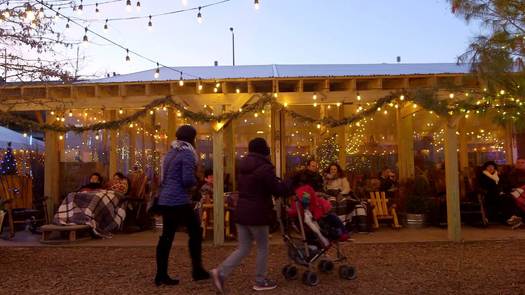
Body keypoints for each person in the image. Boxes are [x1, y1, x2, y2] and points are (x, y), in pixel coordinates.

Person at [211, 138, 287, 293]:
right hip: (257, 213)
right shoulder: (265, 168)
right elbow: (277, 189)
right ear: (262, 150)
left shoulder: (243, 166)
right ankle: (260, 280)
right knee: (262, 247)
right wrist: (289, 183)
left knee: (244, 247)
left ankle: (220, 272)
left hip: (242, 211)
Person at [155, 125, 209, 286]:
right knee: (196, 232)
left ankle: (161, 275)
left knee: (166, 237)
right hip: (178, 200)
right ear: (192, 138)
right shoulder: (187, 154)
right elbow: (187, 180)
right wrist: (198, 183)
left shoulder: (171, 152)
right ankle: (197, 270)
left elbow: (166, 177)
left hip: (165, 199)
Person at [478, 161, 520, 225]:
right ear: (485, 168)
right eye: (489, 167)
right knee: (505, 198)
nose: (491, 168)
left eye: (492, 166)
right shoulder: (483, 176)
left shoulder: (498, 175)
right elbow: (484, 187)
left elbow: (505, 185)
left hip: (501, 194)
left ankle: (512, 216)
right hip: (490, 195)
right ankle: (507, 218)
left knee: (511, 197)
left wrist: (508, 189)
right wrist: (498, 190)